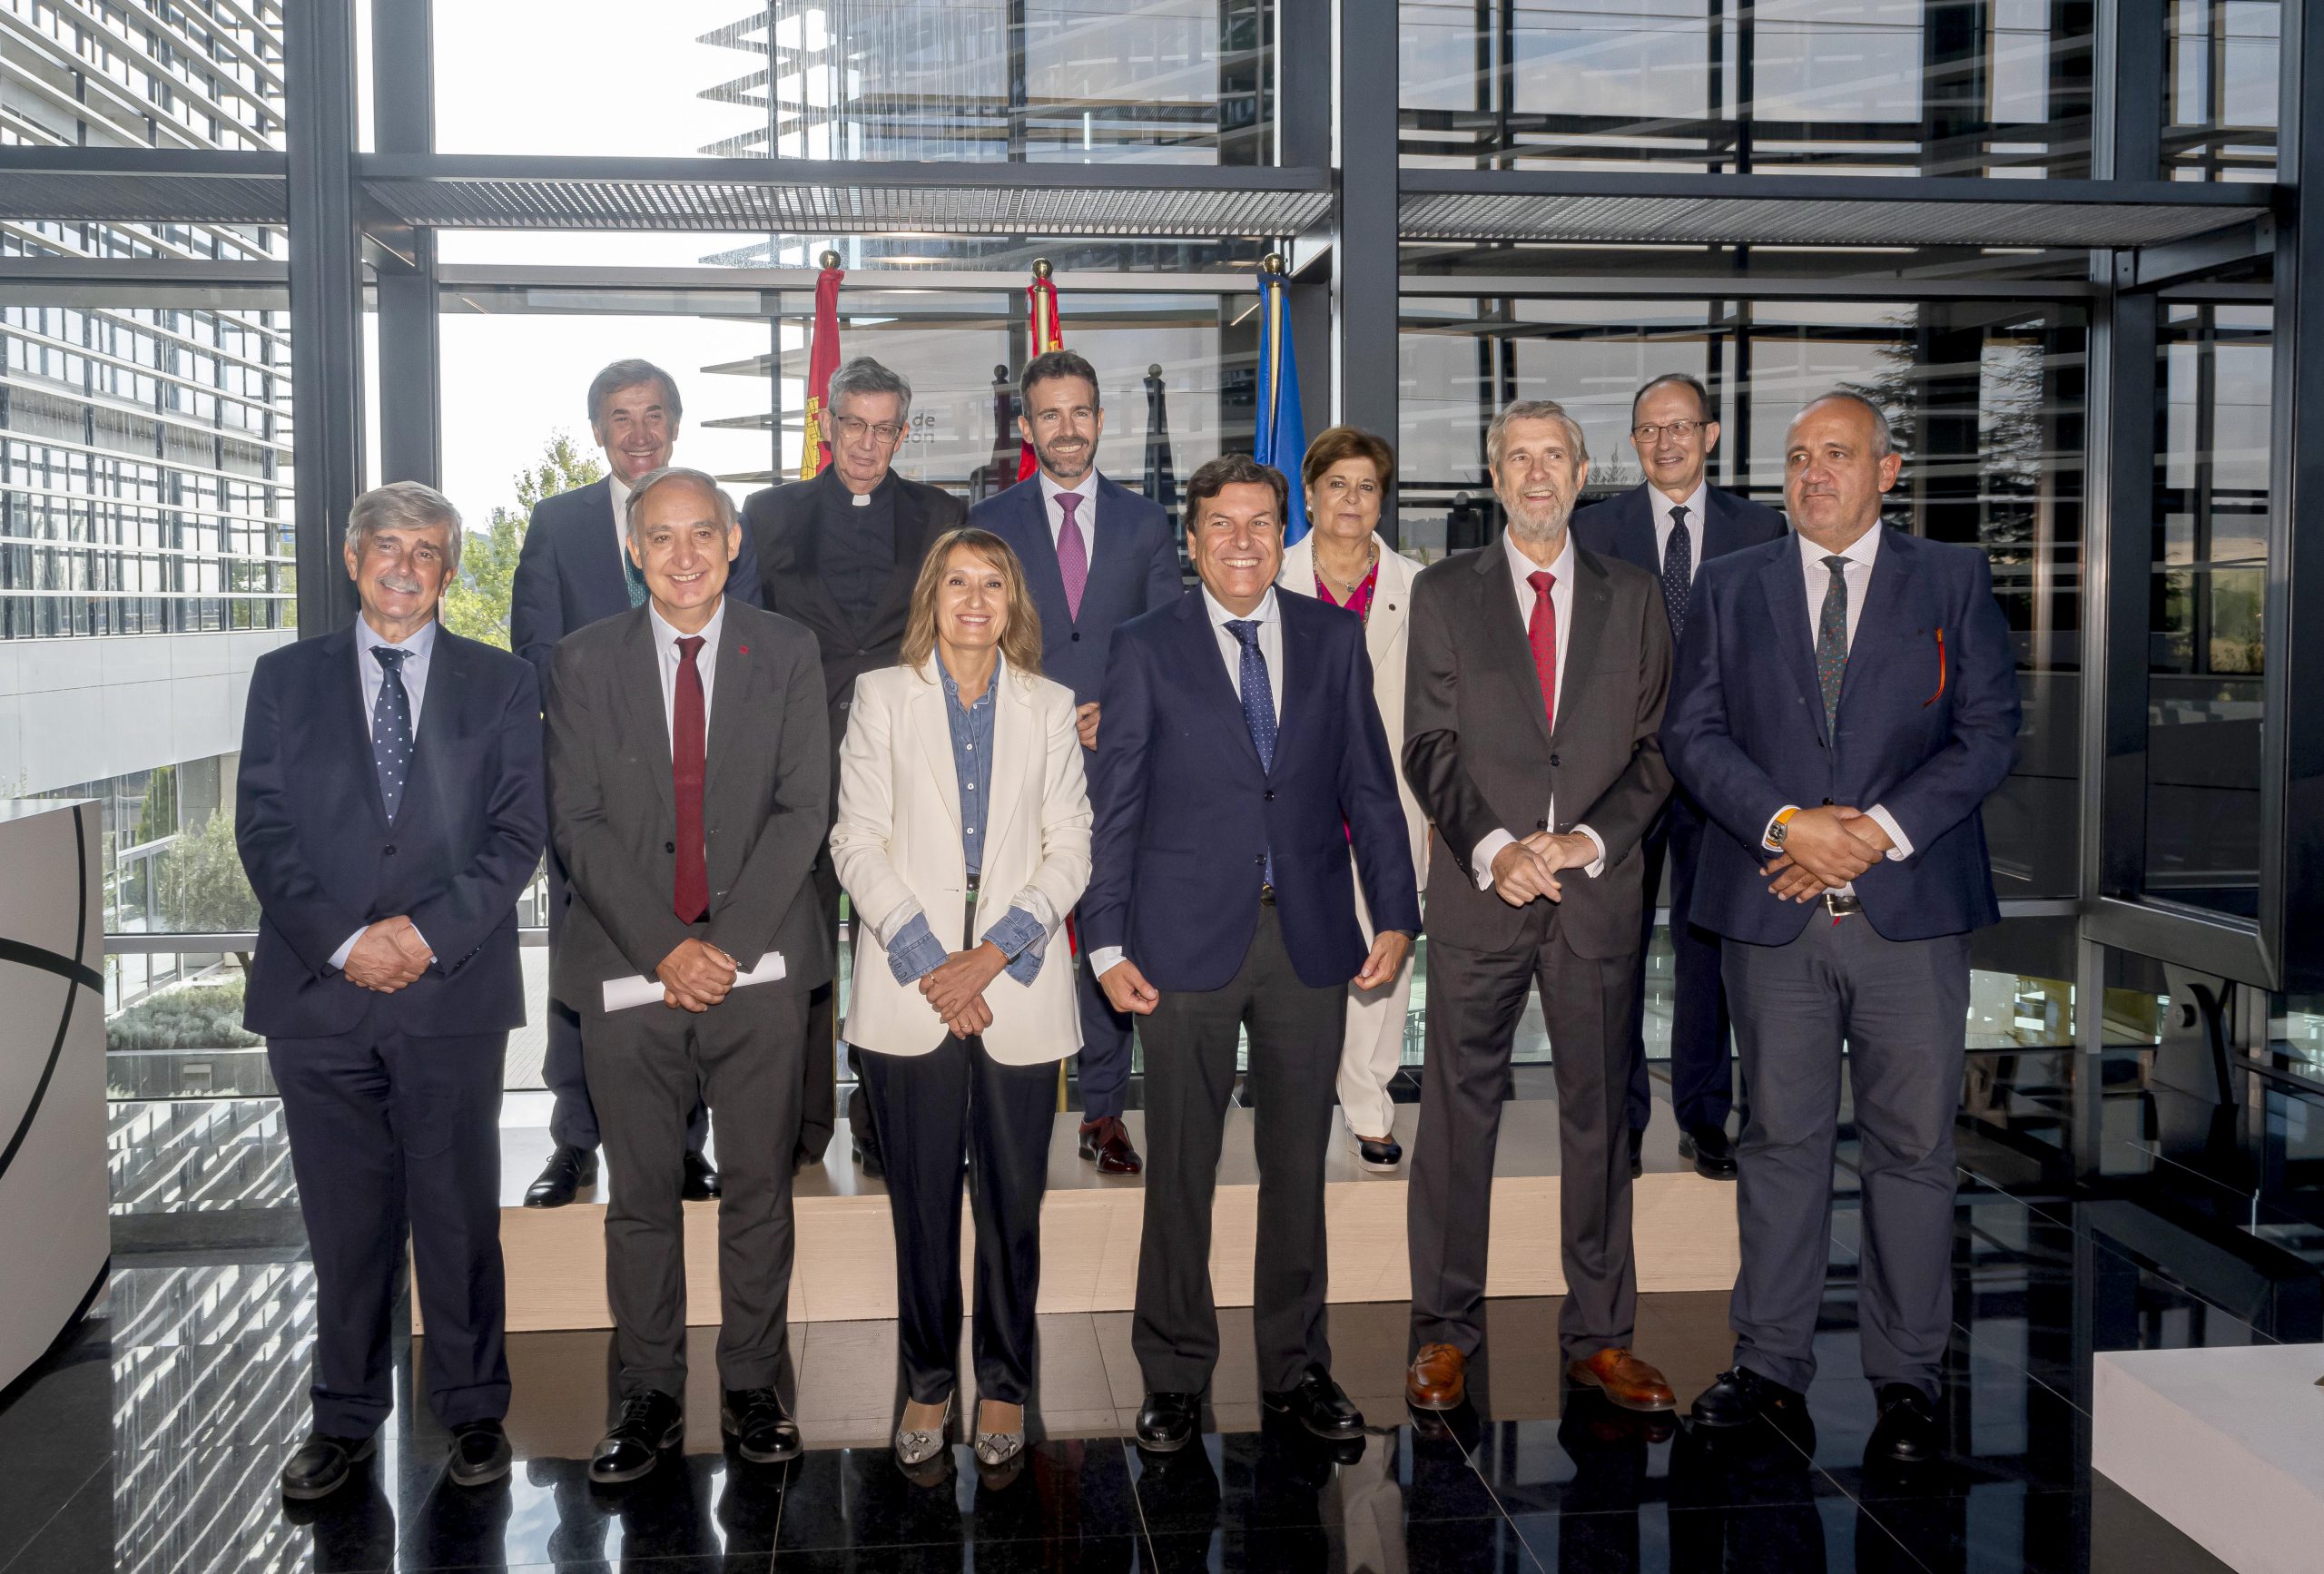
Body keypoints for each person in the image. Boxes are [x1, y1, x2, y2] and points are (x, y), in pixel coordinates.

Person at [1662, 392, 2018, 1465]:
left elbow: (1990, 729)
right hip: (1774, 913)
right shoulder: (1730, 587)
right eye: (1799, 457)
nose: (1814, 473)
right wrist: (1787, 825)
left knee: (1913, 1152)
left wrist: (1876, 832)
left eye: (1838, 455)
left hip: (1911, 918)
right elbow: (1693, 730)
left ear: (1887, 470)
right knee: (1780, 1145)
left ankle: (1907, 1379)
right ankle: (1768, 1366)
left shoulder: (1950, 580)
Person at [1084, 454, 1420, 1454]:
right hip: (1180, 944)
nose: (1242, 540)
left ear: (1287, 533)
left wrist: (1396, 914)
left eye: (1261, 523)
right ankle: (1176, 1376)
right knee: (1180, 1170)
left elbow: (1370, 783)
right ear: (1191, 543)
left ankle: (1296, 1368)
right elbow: (1118, 808)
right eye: (1220, 524)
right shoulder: (1145, 646)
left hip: (1308, 938)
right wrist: (1104, 940)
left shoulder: (1331, 636)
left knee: (1295, 1172)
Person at [237, 482, 545, 1500]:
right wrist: (341, 943)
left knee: (458, 1215)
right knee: (343, 1221)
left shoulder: (501, 684)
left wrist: (422, 934)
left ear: (450, 569)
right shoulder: (283, 680)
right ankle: (344, 1418)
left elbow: (516, 836)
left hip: (448, 993)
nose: (403, 565)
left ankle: (472, 1410)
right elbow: (264, 832)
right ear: (350, 555)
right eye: (385, 546)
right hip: (319, 1001)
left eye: (425, 550)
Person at [545, 467, 831, 1483]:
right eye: (660, 537)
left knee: (758, 1188)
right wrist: (669, 946)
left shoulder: (789, 651)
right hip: (629, 972)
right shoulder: (582, 662)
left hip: (756, 970)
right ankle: (648, 1394)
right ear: (634, 549)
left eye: (701, 533)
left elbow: (805, 809)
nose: (682, 554)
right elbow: (575, 821)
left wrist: (728, 945)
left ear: (734, 539)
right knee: (641, 1199)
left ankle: (754, 1386)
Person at [1401, 399, 1678, 1420]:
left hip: (1596, 896)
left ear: (1582, 469)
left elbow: (1655, 753)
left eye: (1551, 456)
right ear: (1491, 472)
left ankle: (1601, 1340)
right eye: (1516, 457)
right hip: (1484, 895)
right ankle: (1441, 1334)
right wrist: (1495, 848)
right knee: (1455, 1121)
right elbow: (1427, 745)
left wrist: (1586, 840)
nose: (1534, 473)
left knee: (1600, 1123)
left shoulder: (1635, 596)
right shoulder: (1443, 592)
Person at [830, 527, 1092, 1478]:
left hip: (1013, 987)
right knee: (924, 1210)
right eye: (956, 584)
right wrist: (933, 961)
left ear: (1013, 603)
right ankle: (928, 1383)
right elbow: (854, 841)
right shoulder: (881, 697)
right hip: (912, 992)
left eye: (991, 585)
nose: (974, 601)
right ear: (930, 599)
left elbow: (1073, 849)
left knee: (1014, 1209)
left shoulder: (1050, 705)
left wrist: (988, 958)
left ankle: (1008, 1386)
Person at [511, 359, 762, 1208]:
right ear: (598, 431)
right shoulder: (557, 522)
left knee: (691, 957)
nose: (639, 432)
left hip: (698, 795)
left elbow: (743, 645)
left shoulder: (716, 520)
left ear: (676, 424)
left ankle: (684, 1145)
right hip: (595, 795)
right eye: (622, 417)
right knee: (584, 970)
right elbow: (536, 652)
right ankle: (573, 1143)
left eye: (654, 414)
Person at [743, 357, 968, 1178]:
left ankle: (882, 1119)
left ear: (901, 434)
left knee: (893, 939)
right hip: (793, 765)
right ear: (827, 426)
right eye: (853, 425)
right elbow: (745, 636)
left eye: (884, 429)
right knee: (798, 954)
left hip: (903, 762)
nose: (867, 444)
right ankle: (799, 1129)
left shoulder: (943, 511)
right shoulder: (767, 514)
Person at [970, 349, 1181, 1176]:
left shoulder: (1144, 522)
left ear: (1101, 418)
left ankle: (1101, 1111)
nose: (1067, 428)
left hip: (1117, 764)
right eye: (1050, 414)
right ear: (1026, 427)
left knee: (1106, 932)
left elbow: (1170, 643)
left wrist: (1121, 713)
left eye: (1081, 411)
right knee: (1009, 929)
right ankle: (1000, 1105)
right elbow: (972, 633)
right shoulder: (988, 524)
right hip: (1016, 759)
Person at [1572, 372, 1787, 1182]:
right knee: (1614, 951)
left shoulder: (1764, 528)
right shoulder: (1595, 530)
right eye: (1648, 431)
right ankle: (1620, 1123)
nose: (1665, 443)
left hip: (1725, 776)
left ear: (1711, 435)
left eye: (1681, 427)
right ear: (1633, 444)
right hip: (1623, 773)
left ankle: (1704, 1117)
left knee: (1709, 952)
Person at [1274, 426, 1427, 1170]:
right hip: (1295, 799)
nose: (1352, 499)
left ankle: (1368, 1104)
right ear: (1308, 494)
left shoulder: (1417, 589)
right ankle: (1301, 1095)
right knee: (1299, 958)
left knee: (1382, 953)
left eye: (1367, 487)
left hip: (1388, 797)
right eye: (1337, 484)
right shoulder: (1270, 576)